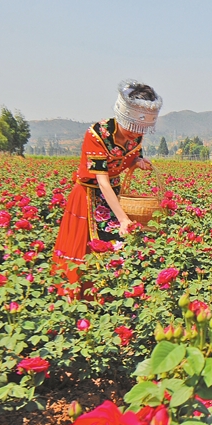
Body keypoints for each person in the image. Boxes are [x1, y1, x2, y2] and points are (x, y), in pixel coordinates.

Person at [52, 80, 162, 293]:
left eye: (140, 130)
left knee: (116, 249)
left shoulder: (136, 134)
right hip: (88, 195)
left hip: (114, 194)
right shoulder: (97, 134)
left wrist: (137, 161)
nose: (135, 134)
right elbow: (102, 181)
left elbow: (131, 155)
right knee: (86, 251)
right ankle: (79, 302)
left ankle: (113, 299)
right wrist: (123, 218)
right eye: (132, 127)